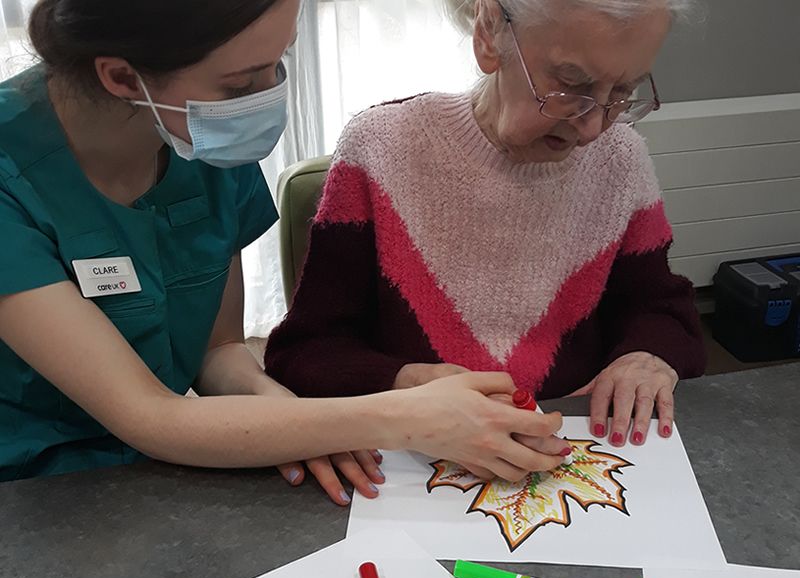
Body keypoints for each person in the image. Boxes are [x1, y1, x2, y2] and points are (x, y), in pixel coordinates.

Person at [0, 0, 571, 504]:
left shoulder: (202, 138)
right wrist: (399, 417)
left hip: (167, 466)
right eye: (242, 83)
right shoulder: (14, 175)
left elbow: (218, 352)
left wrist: (301, 424)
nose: (268, 97)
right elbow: (149, 414)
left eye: (281, 63)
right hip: (35, 491)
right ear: (123, 77)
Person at [265, 0, 706, 450]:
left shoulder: (621, 161)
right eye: (571, 83)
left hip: (571, 448)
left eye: (623, 92)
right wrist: (406, 383)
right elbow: (304, 352)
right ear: (489, 32)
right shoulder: (379, 152)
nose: (594, 128)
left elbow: (660, 308)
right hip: (415, 456)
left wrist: (646, 355)